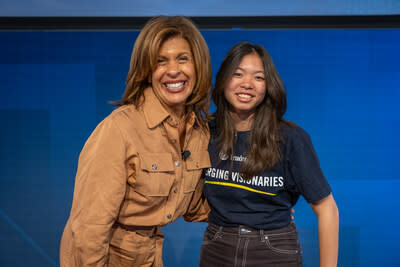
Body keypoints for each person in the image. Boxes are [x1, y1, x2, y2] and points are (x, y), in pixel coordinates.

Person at [60, 16, 212, 267]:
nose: (173, 70)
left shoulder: (199, 130)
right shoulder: (119, 129)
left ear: (199, 66)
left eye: (183, 59)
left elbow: (196, 207)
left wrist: (262, 207)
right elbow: (90, 228)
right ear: (147, 71)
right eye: (160, 61)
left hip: (149, 255)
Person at [200, 42, 339, 267]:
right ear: (224, 80)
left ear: (268, 86)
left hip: (273, 250)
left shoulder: (290, 138)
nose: (247, 84)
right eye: (237, 74)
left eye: (258, 77)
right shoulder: (205, 132)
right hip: (217, 247)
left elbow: (327, 209)